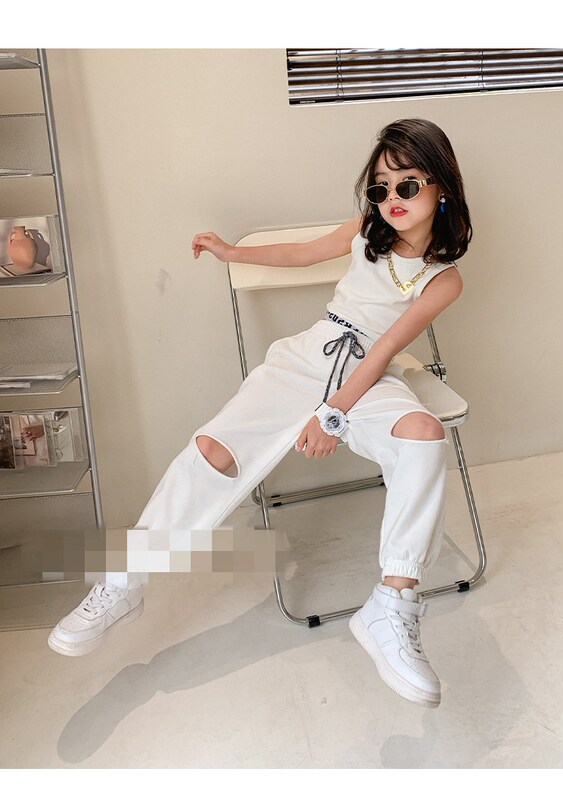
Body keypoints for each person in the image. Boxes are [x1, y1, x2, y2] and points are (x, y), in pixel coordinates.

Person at [48, 117, 472, 709]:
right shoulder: (365, 231)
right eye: (380, 187)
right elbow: (300, 253)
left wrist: (332, 415)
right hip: (307, 358)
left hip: (370, 376)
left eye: (408, 184)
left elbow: (384, 350)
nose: (391, 198)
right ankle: (124, 579)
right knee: (212, 451)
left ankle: (393, 604)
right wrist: (232, 252)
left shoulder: (444, 279)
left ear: (441, 186)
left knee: (424, 435)